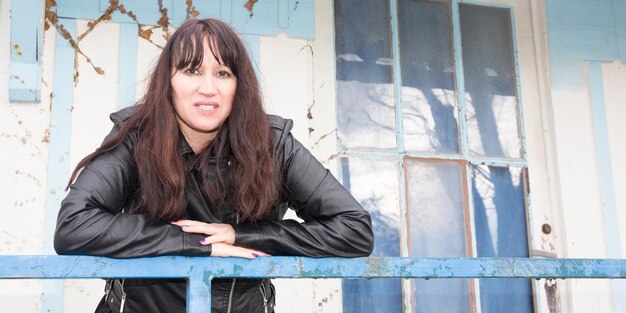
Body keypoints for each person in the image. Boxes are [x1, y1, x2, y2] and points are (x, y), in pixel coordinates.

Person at [53, 18, 374, 313]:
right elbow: (74, 226)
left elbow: (354, 229)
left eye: (222, 73)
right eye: (192, 70)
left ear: (239, 85)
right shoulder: (136, 135)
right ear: (169, 81)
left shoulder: (273, 143)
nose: (208, 87)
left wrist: (244, 235)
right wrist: (198, 245)